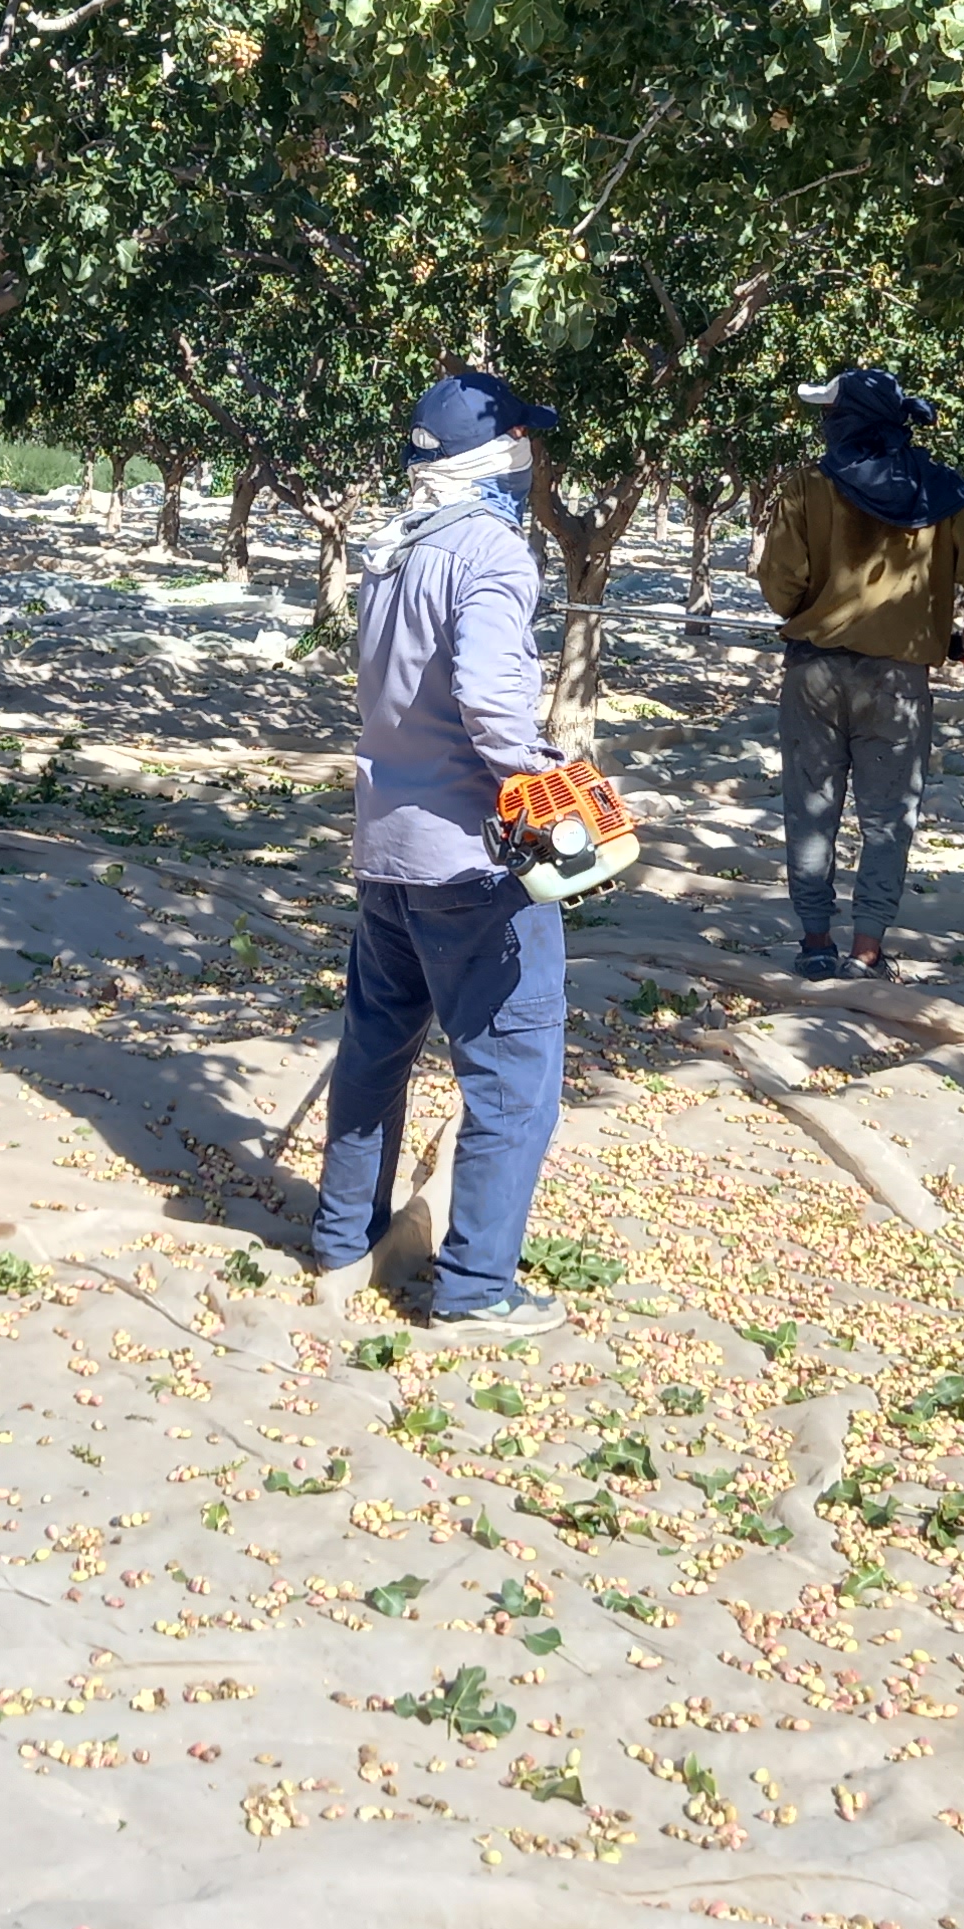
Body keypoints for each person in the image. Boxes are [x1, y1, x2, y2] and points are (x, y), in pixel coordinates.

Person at [309, 370, 576, 1334]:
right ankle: (476, 1291)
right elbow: (493, 705)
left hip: (387, 847)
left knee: (375, 1051)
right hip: (469, 860)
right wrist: (547, 787)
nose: (533, 457)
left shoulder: (395, 547)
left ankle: (342, 1239)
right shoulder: (492, 552)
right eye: (526, 440)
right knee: (512, 1076)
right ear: (502, 451)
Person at [754, 365, 964, 981]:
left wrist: (812, 607)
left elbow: (780, 583)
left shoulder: (807, 485)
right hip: (898, 682)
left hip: (813, 674)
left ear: (845, 420)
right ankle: (867, 951)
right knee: (888, 817)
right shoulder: (943, 490)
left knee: (811, 808)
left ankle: (816, 942)